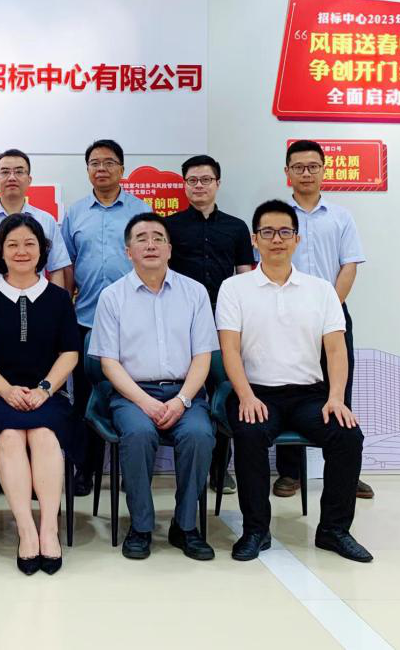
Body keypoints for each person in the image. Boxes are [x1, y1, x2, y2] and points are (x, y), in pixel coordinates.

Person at [217, 200, 371, 563]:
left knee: (347, 435)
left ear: (297, 240)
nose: (277, 239)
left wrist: (336, 397)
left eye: (285, 232)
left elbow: (336, 349)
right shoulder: (234, 288)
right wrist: (245, 396)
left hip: (309, 395)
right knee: (250, 433)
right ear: (254, 239)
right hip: (256, 392)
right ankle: (256, 530)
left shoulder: (321, 290)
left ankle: (334, 530)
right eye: (268, 232)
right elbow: (230, 350)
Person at [89, 212, 218, 560]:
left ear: (170, 249)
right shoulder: (112, 296)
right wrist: (145, 402)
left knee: (199, 435)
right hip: (132, 395)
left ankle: (185, 526)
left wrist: (182, 400)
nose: (150, 244)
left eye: (158, 238)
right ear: (128, 251)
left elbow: (203, 357)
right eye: (141, 238)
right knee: (138, 434)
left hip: (185, 393)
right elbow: (109, 363)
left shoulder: (194, 293)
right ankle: (141, 527)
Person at [0, 213, 80, 575]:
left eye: (30, 243)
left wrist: (45, 388)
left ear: (42, 250)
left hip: (49, 394)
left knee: (44, 434)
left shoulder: (58, 298)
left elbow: (70, 353)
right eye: (12, 244)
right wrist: (6, 389)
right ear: (0, 251)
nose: (21, 251)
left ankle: (49, 529)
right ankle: (26, 531)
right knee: (10, 435)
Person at [273, 141, 373, 501]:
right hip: (285, 318)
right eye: (298, 167)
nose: (306, 173)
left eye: (313, 166)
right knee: (288, 388)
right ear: (287, 172)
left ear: (323, 170)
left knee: (338, 388)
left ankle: (344, 472)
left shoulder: (340, 217)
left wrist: (329, 308)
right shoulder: (277, 217)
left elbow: (349, 266)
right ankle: (289, 472)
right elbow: (268, 264)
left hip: (334, 316)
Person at [61, 140, 152, 497]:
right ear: (87, 170)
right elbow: (67, 264)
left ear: (122, 169)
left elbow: (151, 261)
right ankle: (86, 469)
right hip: (86, 319)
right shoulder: (75, 213)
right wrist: (65, 307)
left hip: (133, 320)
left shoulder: (140, 211)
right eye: (95, 163)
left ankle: (132, 470)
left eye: (109, 162)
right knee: (87, 399)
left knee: (134, 394)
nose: (102, 169)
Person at [163, 155, 255, 495]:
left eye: (205, 180)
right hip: (179, 320)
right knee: (177, 387)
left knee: (223, 391)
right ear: (184, 185)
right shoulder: (169, 227)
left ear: (218, 183)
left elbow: (245, 276)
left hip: (224, 321)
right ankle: (181, 465)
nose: (199, 186)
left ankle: (220, 470)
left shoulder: (236, 227)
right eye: (192, 180)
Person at [0, 149, 71, 333]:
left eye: (19, 171)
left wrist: (55, 311)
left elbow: (56, 269)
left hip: (37, 307)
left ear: (29, 179)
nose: (12, 177)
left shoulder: (46, 220)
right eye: (5, 172)